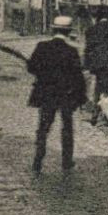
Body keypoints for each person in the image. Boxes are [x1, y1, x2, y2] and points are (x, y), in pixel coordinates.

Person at [27, 15, 87, 173]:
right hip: (65, 95)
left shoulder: (42, 47)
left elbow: (31, 67)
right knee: (67, 128)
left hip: (46, 94)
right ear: (68, 32)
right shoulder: (71, 51)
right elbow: (78, 77)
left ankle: (38, 159)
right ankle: (66, 162)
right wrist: (80, 98)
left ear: (53, 30)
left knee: (43, 127)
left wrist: (43, 76)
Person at [83, 5, 108, 126]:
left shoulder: (91, 30)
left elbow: (88, 49)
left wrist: (87, 66)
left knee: (99, 89)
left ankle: (97, 115)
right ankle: (105, 115)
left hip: (98, 65)